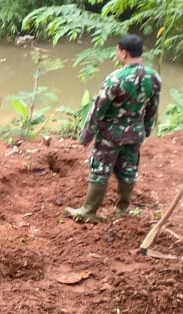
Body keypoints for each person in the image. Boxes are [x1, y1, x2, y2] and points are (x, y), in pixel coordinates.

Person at [68, 35, 161, 222]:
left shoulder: (115, 79)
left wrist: (86, 136)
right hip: (135, 133)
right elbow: (153, 108)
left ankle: (89, 211)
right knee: (129, 169)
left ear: (124, 53)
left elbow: (98, 110)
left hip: (111, 134)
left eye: (118, 51)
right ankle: (122, 210)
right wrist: (146, 130)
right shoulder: (154, 77)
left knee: (100, 169)